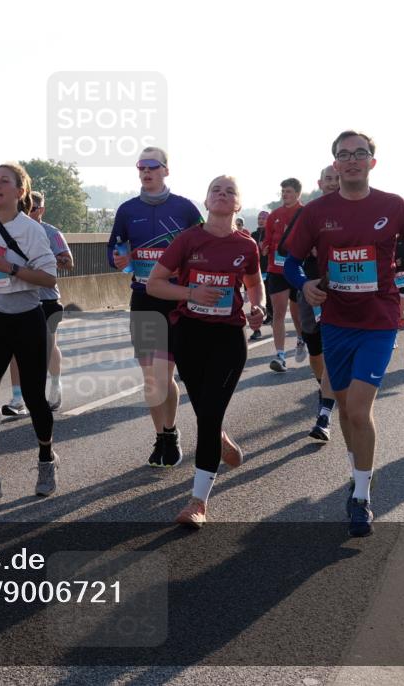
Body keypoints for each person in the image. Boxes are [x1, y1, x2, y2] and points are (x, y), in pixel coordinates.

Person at [284, 131, 404, 537]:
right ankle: (358, 472)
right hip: (336, 320)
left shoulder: (392, 206)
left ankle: (361, 496)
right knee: (343, 408)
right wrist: (303, 284)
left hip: (379, 318)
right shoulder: (317, 212)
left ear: (372, 161)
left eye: (360, 153)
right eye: (343, 155)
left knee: (358, 410)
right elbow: (289, 261)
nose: (352, 160)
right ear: (335, 165)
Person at [146, 175, 264, 527]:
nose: (223, 195)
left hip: (228, 338)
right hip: (190, 336)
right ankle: (220, 438)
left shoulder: (247, 246)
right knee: (205, 414)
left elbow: (254, 283)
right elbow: (155, 284)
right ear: (207, 200)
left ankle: (198, 502)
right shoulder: (188, 240)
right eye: (216, 190)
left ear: (238, 204)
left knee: (208, 416)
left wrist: (257, 307)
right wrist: (191, 294)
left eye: (230, 191)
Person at [0, 163, 59, 504]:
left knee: (33, 398)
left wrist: (12, 268)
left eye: (5, 181)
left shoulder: (31, 230)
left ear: (20, 192)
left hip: (28, 317)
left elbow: (49, 279)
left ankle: (46, 459)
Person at [107, 147, 203, 468]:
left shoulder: (185, 209)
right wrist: (119, 260)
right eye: (140, 167)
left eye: (152, 166)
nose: (145, 171)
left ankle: (170, 431)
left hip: (176, 299)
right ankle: (162, 436)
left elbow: (204, 248)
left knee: (166, 373)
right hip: (144, 298)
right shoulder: (126, 210)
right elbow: (115, 253)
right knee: (151, 377)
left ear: (165, 170)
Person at [278, 165, 340, 440]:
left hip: (346, 291)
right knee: (316, 351)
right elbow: (284, 248)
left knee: (334, 349)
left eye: (336, 178)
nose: (333, 183)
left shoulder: (358, 210)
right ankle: (322, 387)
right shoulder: (309, 212)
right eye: (328, 178)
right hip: (312, 288)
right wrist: (309, 245)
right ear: (320, 182)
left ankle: (325, 411)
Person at [1, 190, 73, 416]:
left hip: (47, 298)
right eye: (24, 206)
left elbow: (68, 262)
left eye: (32, 208)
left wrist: (48, 259)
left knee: (47, 346)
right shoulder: (9, 230)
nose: (27, 211)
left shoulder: (51, 232)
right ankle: (17, 398)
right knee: (15, 349)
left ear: (41, 210)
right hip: (19, 297)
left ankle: (55, 384)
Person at [264, 178, 305, 371]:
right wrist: (264, 248)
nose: (284, 195)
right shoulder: (274, 215)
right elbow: (267, 239)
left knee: (297, 315)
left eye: (288, 191)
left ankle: (300, 338)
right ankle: (280, 356)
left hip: (297, 270)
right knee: (278, 314)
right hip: (276, 270)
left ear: (297, 193)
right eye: (283, 191)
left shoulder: (304, 213)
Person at [249, 209, 271, 339]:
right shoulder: (253, 235)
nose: (261, 220)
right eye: (259, 218)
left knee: (269, 302)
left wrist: (266, 252)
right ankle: (256, 330)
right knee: (255, 303)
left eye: (263, 218)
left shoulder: (272, 235)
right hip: (256, 273)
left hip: (270, 272)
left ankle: (274, 323)